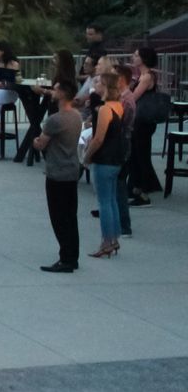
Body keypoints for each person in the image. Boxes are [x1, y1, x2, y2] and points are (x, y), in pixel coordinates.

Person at [34, 80, 83, 272]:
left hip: (57, 172)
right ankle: (73, 255)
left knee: (59, 216)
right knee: (71, 215)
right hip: (71, 169)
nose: (52, 92)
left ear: (62, 93)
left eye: (55, 89)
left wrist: (35, 141)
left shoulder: (55, 119)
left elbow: (41, 143)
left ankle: (66, 258)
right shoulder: (76, 116)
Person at [83, 71, 130, 259]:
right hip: (116, 159)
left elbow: (98, 138)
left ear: (106, 87)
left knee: (104, 202)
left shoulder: (105, 109)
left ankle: (106, 241)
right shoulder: (118, 106)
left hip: (104, 159)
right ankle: (114, 237)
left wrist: (87, 155)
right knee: (111, 200)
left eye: (100, 82)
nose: (96, 85)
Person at [125, 47, 163, 208]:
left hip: (143, 121)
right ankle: (136, 188)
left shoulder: (146, 77)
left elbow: (134, 97)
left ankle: (143, 191)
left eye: (136, 55)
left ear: (144, 58)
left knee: (140, 155)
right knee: (137, 154)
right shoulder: (142, 76)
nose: (133, 57)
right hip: (140, 121)